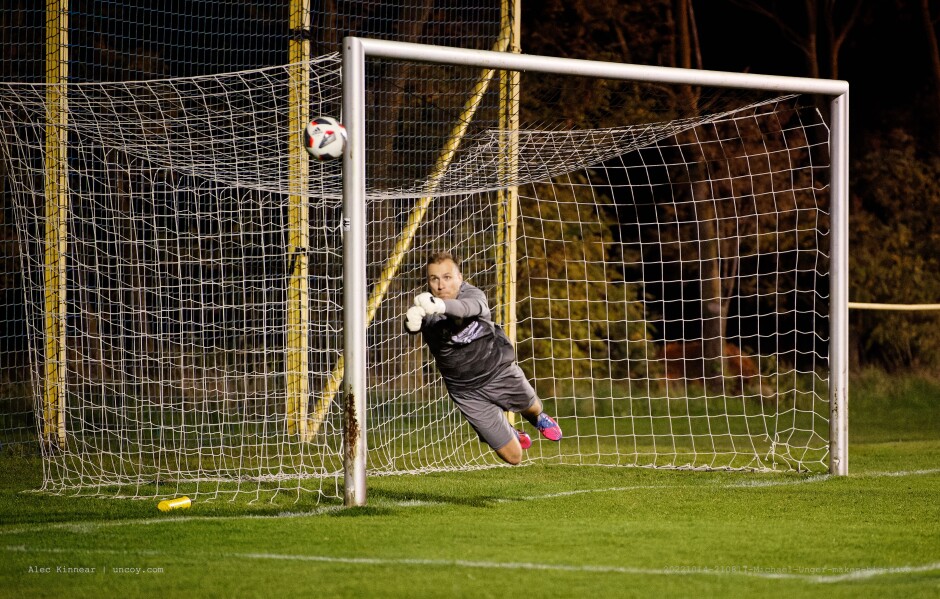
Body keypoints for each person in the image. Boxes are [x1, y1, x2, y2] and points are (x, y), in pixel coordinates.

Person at [404, 251, 562, 465]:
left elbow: (467, 309)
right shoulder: (427, 310)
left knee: (532, 407)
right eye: (434, 279)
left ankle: (537, 419)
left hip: (499, 371)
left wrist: (441, 306)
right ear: (428, 282)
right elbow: (416, 326)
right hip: (466, 392)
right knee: (514, 457)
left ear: (460, 278)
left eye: (447, 277)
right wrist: (411, 322)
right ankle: (511, 432)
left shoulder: (473, 295)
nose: (441, 285)